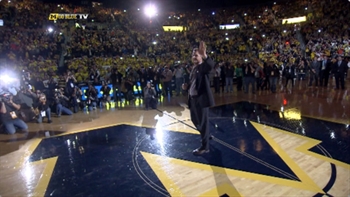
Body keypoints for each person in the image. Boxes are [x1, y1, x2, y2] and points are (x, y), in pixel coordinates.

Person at [182, 41, 215, 156]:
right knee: (195, 121)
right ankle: (206, 134)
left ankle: (205, 147)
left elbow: (210, 65)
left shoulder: (203, 67)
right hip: (193, 100)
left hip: (201, 100)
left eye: (196, 55)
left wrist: (206, 56)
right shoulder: (194, 69)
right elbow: (193, 84)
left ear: (201, 56)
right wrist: (187, 87)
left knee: (203, 122)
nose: (194, 57)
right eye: (193, 55)